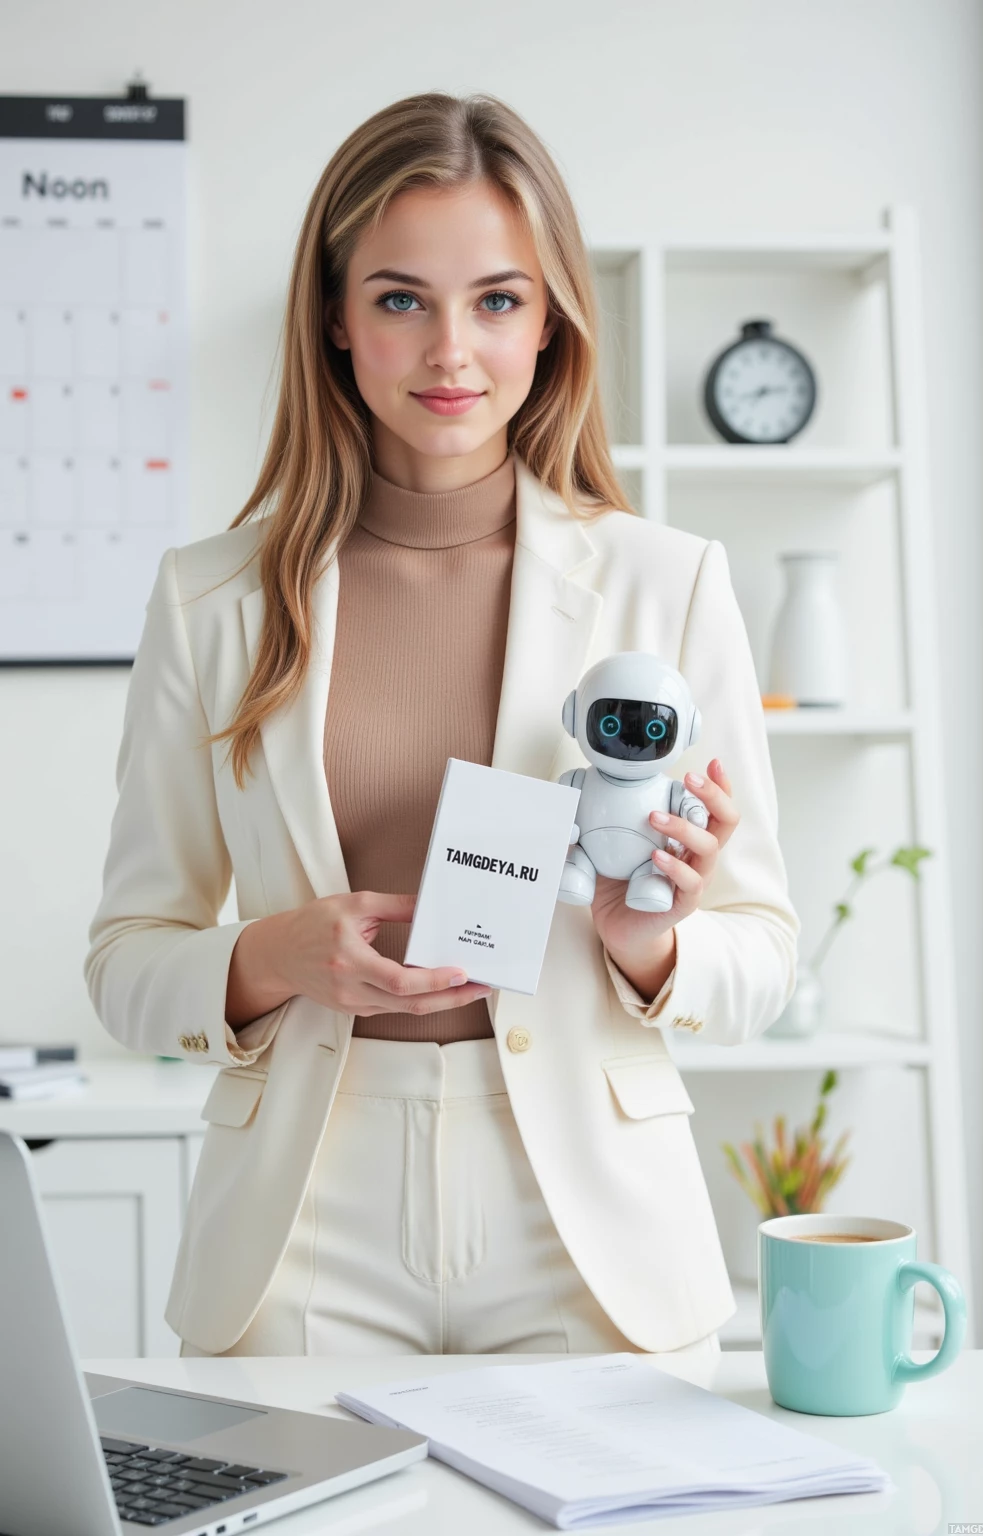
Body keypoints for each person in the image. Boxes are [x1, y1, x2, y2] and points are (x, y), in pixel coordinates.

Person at [85, 92, 799, 1361]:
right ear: (335, 317)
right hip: (304, 1219)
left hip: (586, 1223)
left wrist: (650, 947)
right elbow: (126, 964)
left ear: (552, 319)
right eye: (402, 299)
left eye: (498, 300)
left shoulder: (667, 583)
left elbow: (763, 955)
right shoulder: (209, 602)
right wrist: (269, 958)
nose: (451, 352)